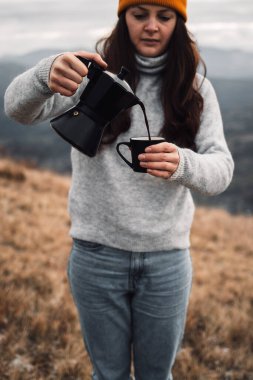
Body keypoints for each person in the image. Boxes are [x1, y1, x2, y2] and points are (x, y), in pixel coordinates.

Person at [4, 0, 234, 379]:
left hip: (166, 261)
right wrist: (45, 75)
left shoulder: (196, 89)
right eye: (139, 14)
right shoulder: (93, 74)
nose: (151, 26)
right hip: (96, 256)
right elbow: (17, 109)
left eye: (164, 16)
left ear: (179, 23)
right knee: (107, 375)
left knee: (155, 375)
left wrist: (184, 164)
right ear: (123, 18)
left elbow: (221, 170)